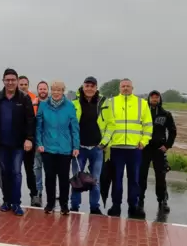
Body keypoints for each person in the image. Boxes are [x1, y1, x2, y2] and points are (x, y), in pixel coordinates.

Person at [0, 68, 35, 216]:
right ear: (3, 81)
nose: (10, 82)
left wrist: (29, 139)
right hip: (0, 143)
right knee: (4, 173)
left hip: (18, 144)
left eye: (13, 80)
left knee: (16, 172)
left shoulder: (24, 98)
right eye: (7, 80)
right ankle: (6, 200)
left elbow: (30, 121)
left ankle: (16, 203)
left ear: (17, 81)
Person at [108, 79, 153, 218]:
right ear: (119, 88)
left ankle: (133, 206)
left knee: (134, 179)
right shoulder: (110, 103)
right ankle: (116, 206)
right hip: (116, 147)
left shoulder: (142, 103)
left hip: (134, 148)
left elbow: (148, 125)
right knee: (117, 179)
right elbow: (104, 124)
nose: (125, 88)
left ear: (132, 88)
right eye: (123, 86)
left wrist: (144, 141)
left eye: (128, 86)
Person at [70, 77, 116, 215]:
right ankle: (74, 206)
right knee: (77, 179)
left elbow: (111, 124)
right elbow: (70, 124)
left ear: (96, 88)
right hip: (80, 148)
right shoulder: (74, 103)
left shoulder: (104, 103)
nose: (89, 88)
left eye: (92, 86)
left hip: (97, 148)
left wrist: (104, 142)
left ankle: (94, 207)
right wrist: (73, 144)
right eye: (87, 85)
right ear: (83, 87)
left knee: (95, 180)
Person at [36, 80, 79, 215]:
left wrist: (76, 146)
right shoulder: (43, 106)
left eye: (59, 90)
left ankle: (64, 205)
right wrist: (39, 143)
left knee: (64, 178)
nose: (55, 92)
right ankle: (50, 204)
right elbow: (38, 126)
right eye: (53, 90)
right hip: (47, 148)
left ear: (63, 91)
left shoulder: (70, 106)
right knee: (49, 177)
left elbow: (74, 128)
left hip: (65, 148)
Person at [138, 90, 177, 215]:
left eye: (157, 97)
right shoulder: (142, 113)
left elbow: (172, 131)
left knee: (160, 177)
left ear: (160, 99)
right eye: (152, 97)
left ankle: (162, 201)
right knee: (141, 175)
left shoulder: (166, 114)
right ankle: (140, 201)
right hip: (144, 149)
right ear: (149, 98)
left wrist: (167, 145)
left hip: (159, 150)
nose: (154, 99)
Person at [18, 75, 39, 204]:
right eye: (21, 84)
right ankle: (12, 196)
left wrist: (31, 139)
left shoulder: (34, 99)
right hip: (14, 141)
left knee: (29, 169)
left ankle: (34, 194)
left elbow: (34, 120)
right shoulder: (12, 98)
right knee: (14, 171)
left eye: (25, 84)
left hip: (29, 140)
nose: (23, 86)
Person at [32, 81, 49, 207]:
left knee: (51, 169)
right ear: (38, 90)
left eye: (44, 89)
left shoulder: (52, 103)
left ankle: (52, 191)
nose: (42, 91)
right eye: (40, 89)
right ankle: (38, 191)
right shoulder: (33, 103)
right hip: (37, 140)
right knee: (37, 167)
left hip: (51, 141)